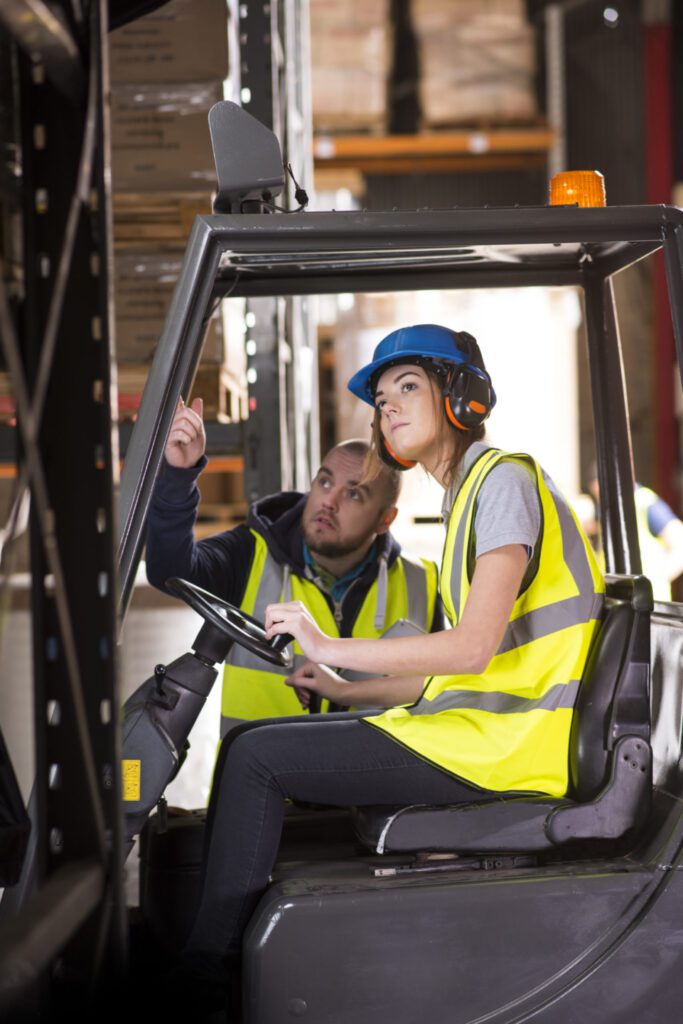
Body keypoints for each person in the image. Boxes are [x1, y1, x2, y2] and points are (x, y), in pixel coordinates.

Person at [174, 324, 605, 1013]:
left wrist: (326, 646)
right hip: (475, 733)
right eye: (380, 398)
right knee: (256, 749)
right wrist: (347, 690)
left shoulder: (503, 481)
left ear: (462, 398)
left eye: (407, 386)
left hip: (503, 749)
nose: (388, 408)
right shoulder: (465, 497)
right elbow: (457, 671)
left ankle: (205, 983)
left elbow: (470, 648)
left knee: (257, 756)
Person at [145, 397, 443, 735]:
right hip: (260, 783)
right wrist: (178, 477)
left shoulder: (422, 586)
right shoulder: (251, 553)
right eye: (325, 482)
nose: (328, 502)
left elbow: (445, 696)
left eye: (354, 494)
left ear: (384, 521)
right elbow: (169, 572)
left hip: (373, 785)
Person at [581, 466, 683, 602]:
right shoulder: (608, 509)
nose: (600, 499)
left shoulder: (646, 503)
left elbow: (680, 544)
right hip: (621, 604)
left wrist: (656, 579)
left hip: (650, 603)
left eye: (601, 493)